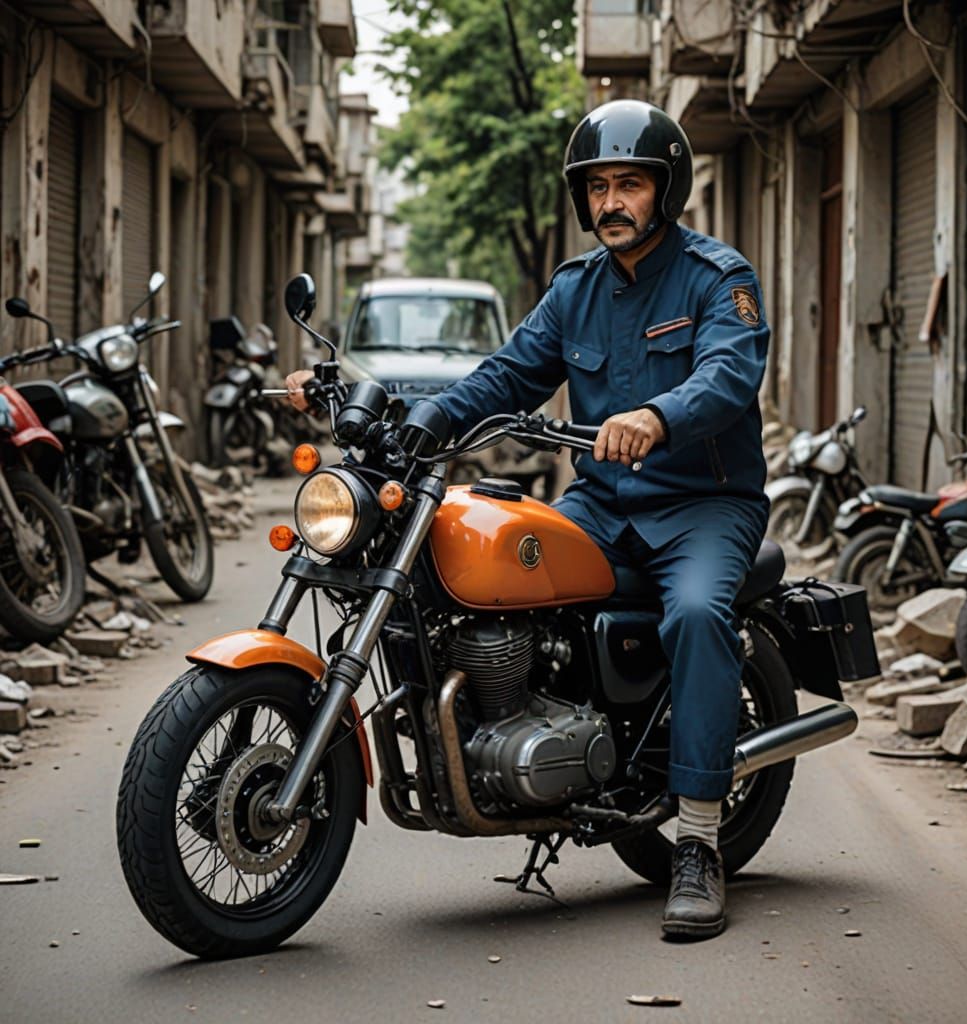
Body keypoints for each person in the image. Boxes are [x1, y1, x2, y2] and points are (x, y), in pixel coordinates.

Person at [286, 99, 770, 941]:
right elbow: (505, 375)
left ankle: (695, 843)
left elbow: (730, 377)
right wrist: (412, 417)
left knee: (694, 614)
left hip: (702, 506)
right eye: (597, 187)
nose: (611, 201)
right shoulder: (574, 289)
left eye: (629, 184)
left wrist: (656, 418)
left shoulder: (716, 277)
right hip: (602, 503)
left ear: (666, 189)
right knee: (498, 579)